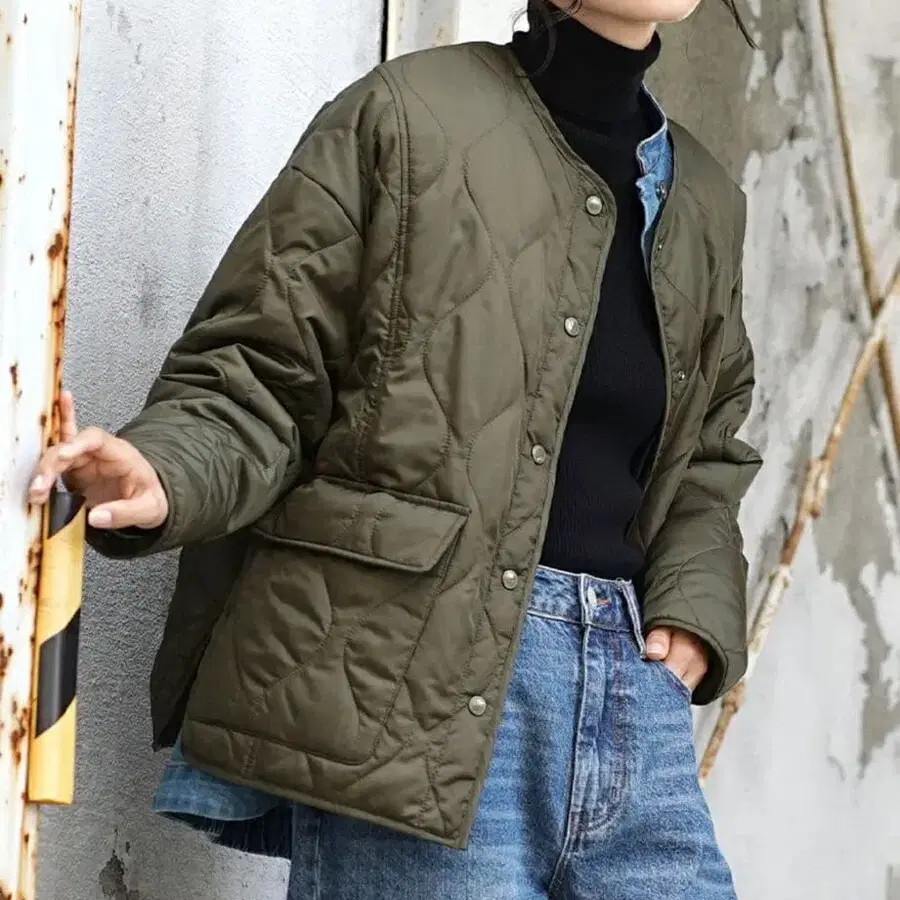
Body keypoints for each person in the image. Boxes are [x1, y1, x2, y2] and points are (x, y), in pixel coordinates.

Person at [30, 1, 763, 897]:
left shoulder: (705, 200)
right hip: (404, 685)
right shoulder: (405, 116)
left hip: (631, 693)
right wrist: (166, 471)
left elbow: (707, 451)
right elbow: (262, 366)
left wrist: (692, 609)